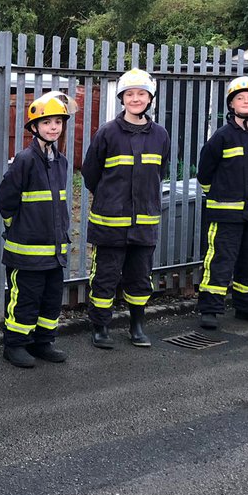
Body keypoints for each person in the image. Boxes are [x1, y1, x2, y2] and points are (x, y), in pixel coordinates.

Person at [82, 69, 171, 349]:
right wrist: (110, 198)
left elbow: (160, 172)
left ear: (150, 98)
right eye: (130, 94)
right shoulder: (107, 132)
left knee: (139, 277)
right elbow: (90, 174)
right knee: (105, 277)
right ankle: (100, 327)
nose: (135, 98)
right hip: (110, 222)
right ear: (122, 98)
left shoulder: (160, 135)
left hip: (144, 223)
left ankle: (137, 325)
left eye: (141, 94)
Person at [0, 91, 77, 368]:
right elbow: (4, 201)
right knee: (24, 300)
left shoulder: (62, 162)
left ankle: (43, 342)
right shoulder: (25, 160)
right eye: (46, 122)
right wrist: (16, 228)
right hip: (26, 250)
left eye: (58, 121)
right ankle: (15, 345)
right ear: (34, 127)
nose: (53, 127)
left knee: (51, 300)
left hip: (54, 249)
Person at [196, 76, 248, 329]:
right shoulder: (222, 136)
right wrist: (217, 195)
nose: (246, 101)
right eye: (241, 98)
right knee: (219, 261)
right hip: (225, 214)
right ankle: (210, 309)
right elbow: (205, 172)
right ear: (232, 104)